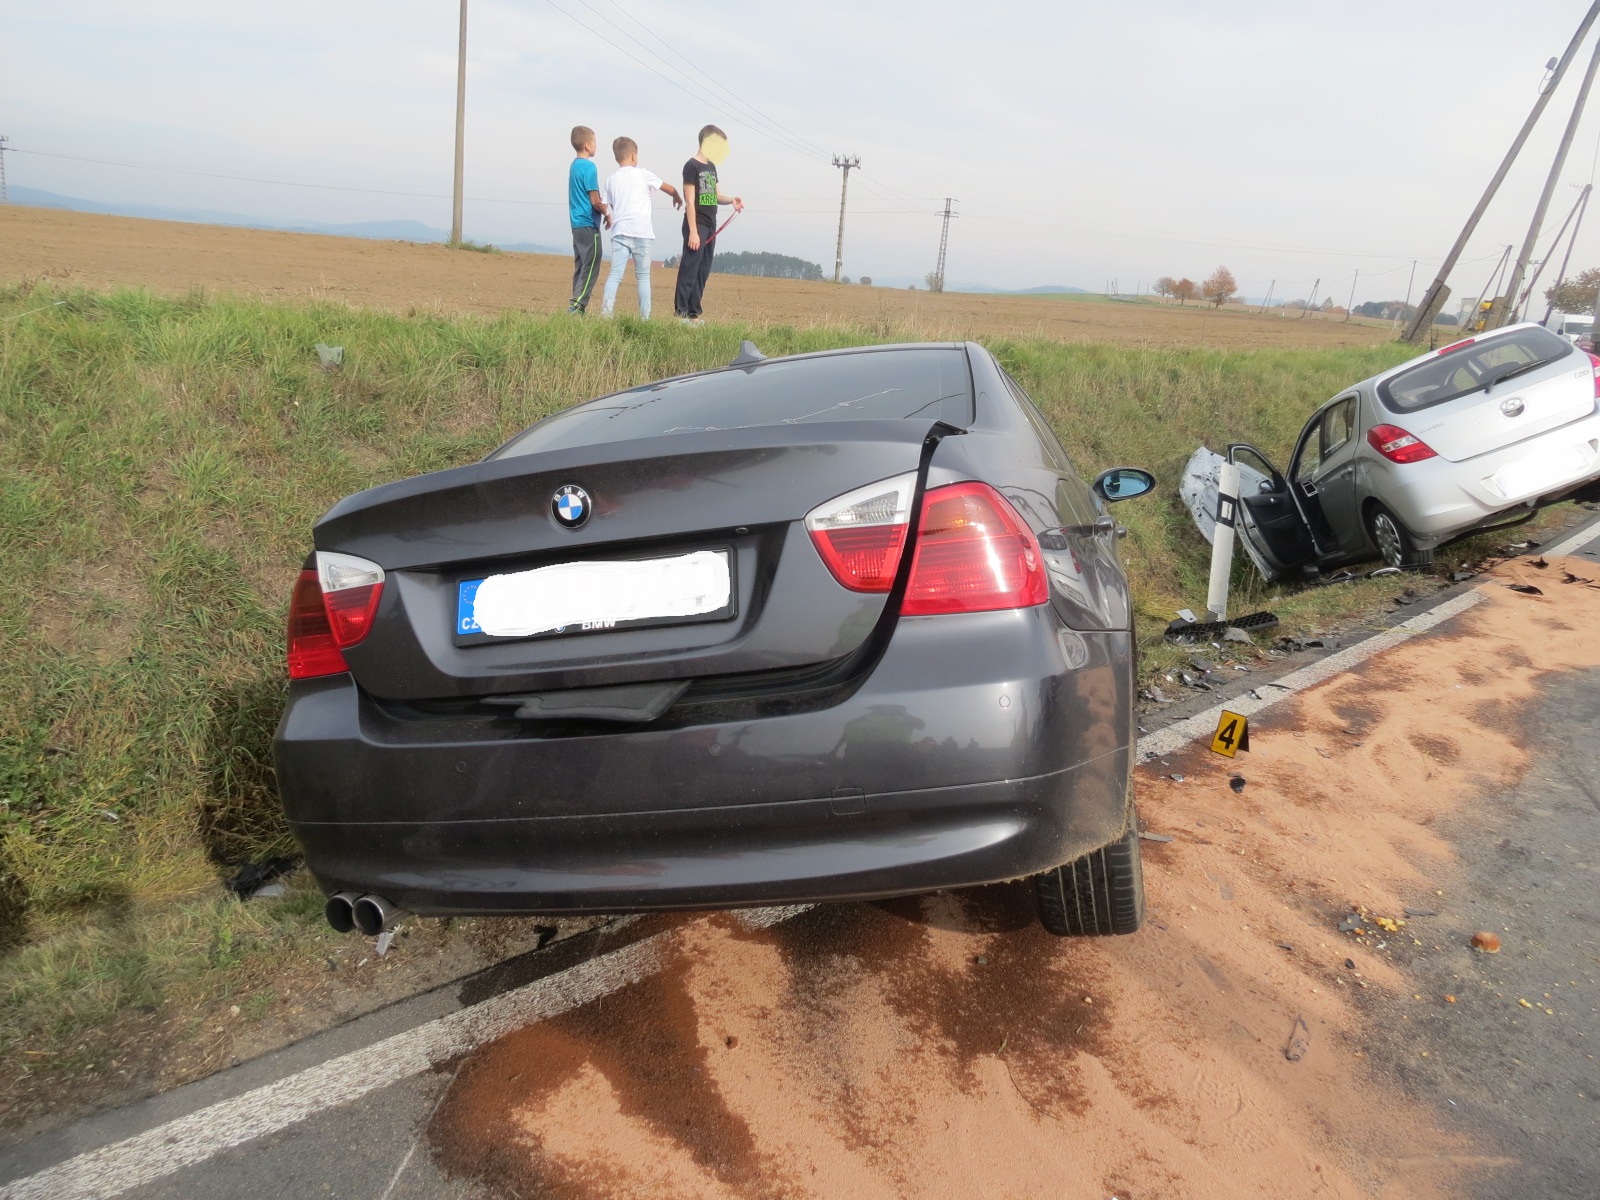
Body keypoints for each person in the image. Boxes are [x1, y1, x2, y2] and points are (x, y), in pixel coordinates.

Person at [599, 137, 682, 319]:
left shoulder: (611, 179)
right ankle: (644, 318)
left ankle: (606, 314)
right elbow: (667, 188)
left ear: (617, 157)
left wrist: (608, 217)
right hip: (642, 233)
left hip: (620, 232)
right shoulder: (643, 174)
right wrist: (676, 195)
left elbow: (604, 205)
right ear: (634, 156)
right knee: (643, 277)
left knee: (615, 275)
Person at [674, 124, 744, 325]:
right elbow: (689, 201)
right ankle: (681, 314)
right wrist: (693, 232)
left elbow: (715, 196)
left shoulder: (711, 167)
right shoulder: (691, 166)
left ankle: (694, 313)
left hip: (711, 224)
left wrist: (732, 200)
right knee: (690, 268)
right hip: (697, 225)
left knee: (703, 270)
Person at [566, 126, 608, 314]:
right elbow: (594, 200)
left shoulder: (574, 165)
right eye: (595, 142)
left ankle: (575, 304)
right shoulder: (590, 167)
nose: (596, 145)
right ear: (587, 145)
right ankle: (577, 306)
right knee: (591, 265)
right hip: (589, 223)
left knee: (581, 265)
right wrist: (606, 210)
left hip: (576, 223)